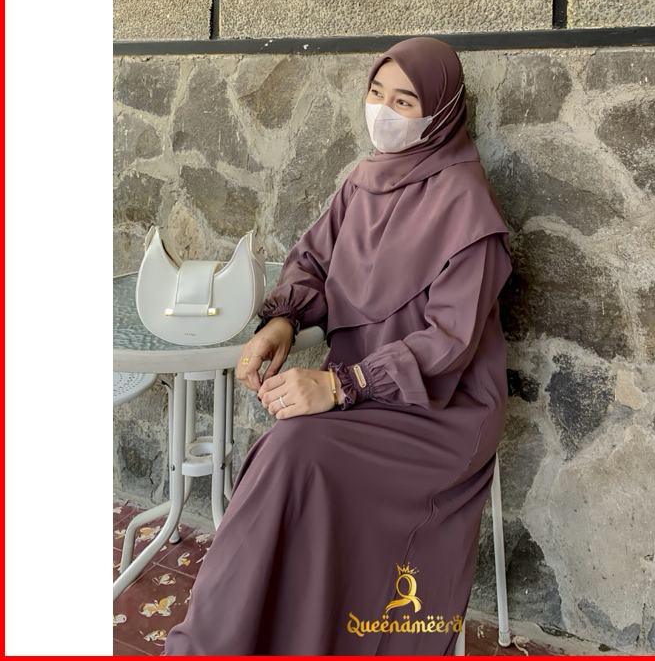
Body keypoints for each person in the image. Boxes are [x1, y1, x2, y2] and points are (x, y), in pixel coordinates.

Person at [164, 36, 513, 656]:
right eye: (376, 92)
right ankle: (234, 639)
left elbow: (450, 343)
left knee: (293, 453)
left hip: (443, 411)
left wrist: (338, 385)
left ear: (440, 112)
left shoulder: (468, 206)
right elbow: (313, 262)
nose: (383, 111)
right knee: (288, 454)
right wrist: (283, 321)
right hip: (363, 394)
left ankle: (220, 643)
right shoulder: (363, 182)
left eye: (404, 101)